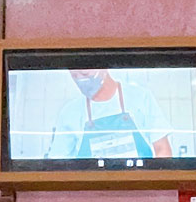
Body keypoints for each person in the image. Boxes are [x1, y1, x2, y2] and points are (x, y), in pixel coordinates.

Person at [46, 69, 174, 161]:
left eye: (85, 73)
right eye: (75, 76)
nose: (81, 79)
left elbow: (163, 150)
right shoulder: (70, 112)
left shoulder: (140, 97)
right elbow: (57, 164)